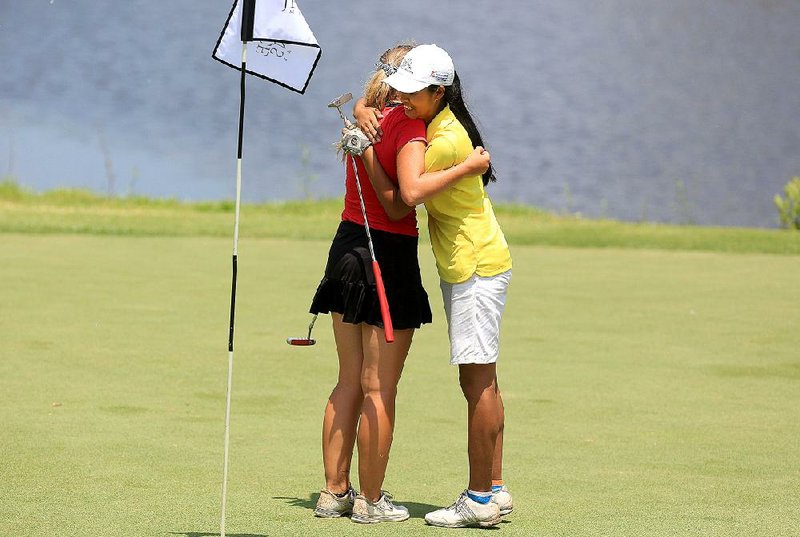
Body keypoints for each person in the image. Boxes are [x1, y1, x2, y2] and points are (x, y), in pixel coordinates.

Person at [354, 43, 513, 529]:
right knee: (481, 379)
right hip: (471, 262)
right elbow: (380, 109)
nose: (402, 99)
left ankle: (481, 499)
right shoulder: (434, 119)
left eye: (411, 93)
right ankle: (497, 490)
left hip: (475, 265)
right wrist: (362, 108)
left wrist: (466, 167)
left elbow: (410, 194)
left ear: (438, 91)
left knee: (477, 381)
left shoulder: (442, 137)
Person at [308, 43, 432, 524]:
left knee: (348, 381)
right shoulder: (408, 125)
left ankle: (333, 492)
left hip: (346, 248)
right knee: (379, 389)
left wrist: (361, 114)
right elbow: (402, 203)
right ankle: (371, 500)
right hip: (387, 257)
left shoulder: (363, 116)